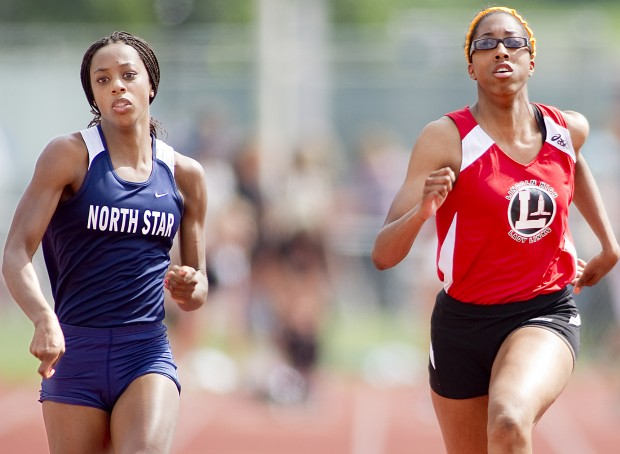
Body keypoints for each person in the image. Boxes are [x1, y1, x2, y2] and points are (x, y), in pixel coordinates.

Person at [371, 6, 620, 454]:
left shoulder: (566, 129)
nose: (500, 50)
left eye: (512, 42)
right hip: (462, 324)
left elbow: (573, 163)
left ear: (531, 60)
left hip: (543, 310)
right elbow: (383, 254)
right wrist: (424, 212)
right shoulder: (446, 139)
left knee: (507, 422)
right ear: (471, 66)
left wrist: (608, 244)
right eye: (486, 44)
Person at [2, 31, 209, 453]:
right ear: (93, 97)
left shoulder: (185, 175)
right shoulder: (69, 156)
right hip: (75, 352)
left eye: (128, 74)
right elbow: (16, 252)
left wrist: (191, 286)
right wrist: (43, 318)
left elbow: (198, 290)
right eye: (102, 79)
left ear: (150, 84)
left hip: (145, 350)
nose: (116, 84)